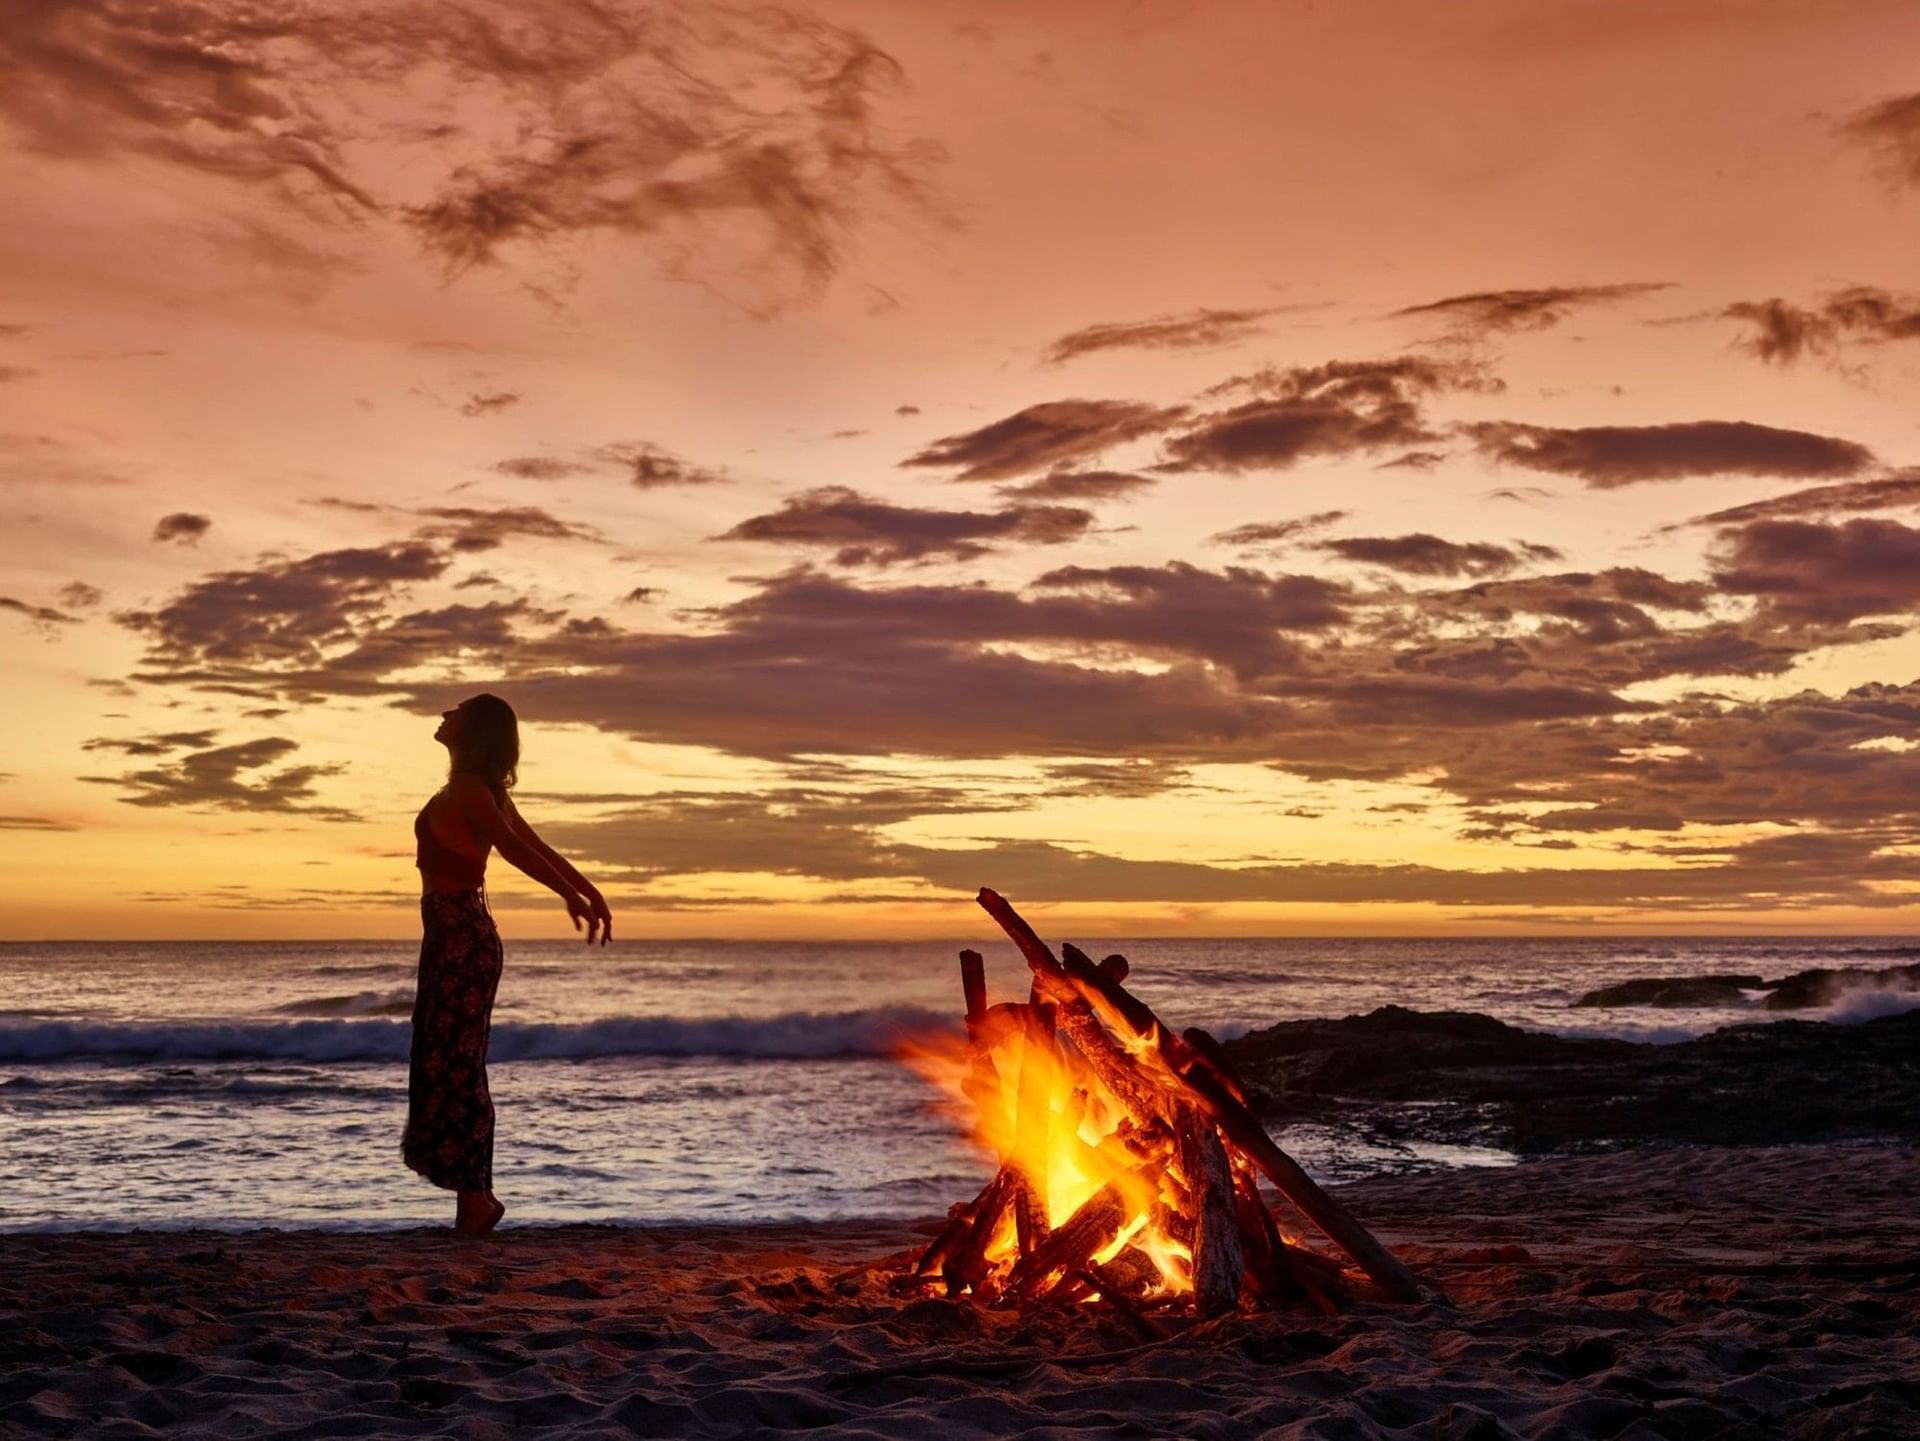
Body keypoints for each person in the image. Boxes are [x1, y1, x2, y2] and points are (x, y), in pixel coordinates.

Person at [402, 692, 612, 1235]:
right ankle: (475, 1198)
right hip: (451, 935)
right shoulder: (473, 789)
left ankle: (477, 1200)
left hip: (460, 936)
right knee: (448, 1059)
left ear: (473, 729)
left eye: (458, 711)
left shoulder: (473, 789)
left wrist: (575, 894)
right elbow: (534, 845)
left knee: (458, 1063)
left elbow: (519, 849)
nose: (446, 715)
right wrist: (586, 891)